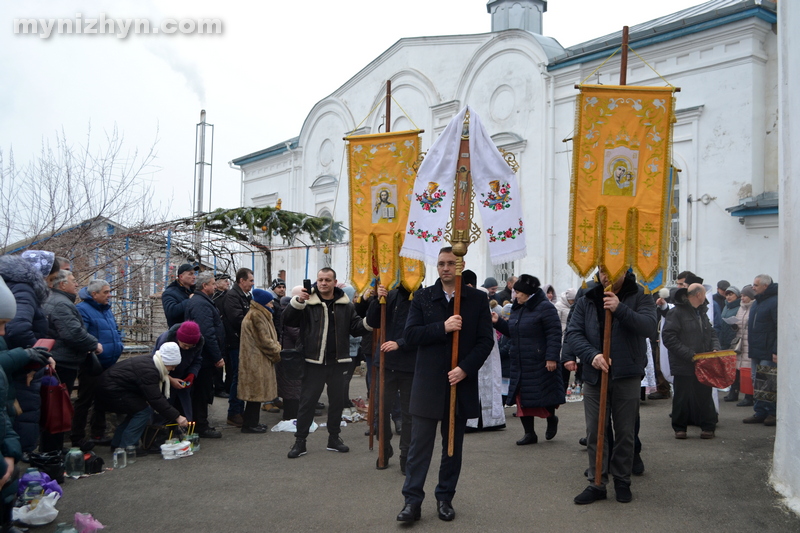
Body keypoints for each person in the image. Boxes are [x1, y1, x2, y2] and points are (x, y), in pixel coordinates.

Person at [396, 247, 493, 523]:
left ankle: (445, 498)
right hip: (428, 382)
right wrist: (443, 327)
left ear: (460, 265)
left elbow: (486, 340)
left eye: (451, 263)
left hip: (458, 382)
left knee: (452, 448)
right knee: (419, 448)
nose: (445, 268)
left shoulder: (475, 299)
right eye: (441, 264)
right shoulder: (424, 297)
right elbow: (411, 335)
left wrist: (465, 368)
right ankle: (412, 502)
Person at [566, 267, 656, 505]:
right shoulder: (588, 297)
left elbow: (649, 326)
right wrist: (592, 355)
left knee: (625, 431)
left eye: (611, 272)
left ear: (624, 272)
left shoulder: (641, 294)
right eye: (602, 272)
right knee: (595, 430)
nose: (606, 277)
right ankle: (597, 482)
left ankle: (622, 481)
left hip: (627, 374)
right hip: (596, 376)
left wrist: (620, 309)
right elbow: (574, 333)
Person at [282, 268, 371, 458]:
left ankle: (334, 439)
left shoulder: (345, 305)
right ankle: (300, 441)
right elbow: (287, 320)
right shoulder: (308, 302)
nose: (323, 283)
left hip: (338, 362)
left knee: (337, 403)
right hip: (313, 361)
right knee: (307, 403)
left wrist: (371, 319)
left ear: (334, 282)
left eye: (327, 280)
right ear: (317, 281)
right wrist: (298, 302)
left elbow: (356, 328)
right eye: (320, 279)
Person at [0, 277, 52, 532]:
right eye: (0, 324)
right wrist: (25, 354)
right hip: (12, 400)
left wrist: (10, 451)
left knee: (8, 475)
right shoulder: (23, 293)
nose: (3, 332)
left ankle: (6, 522)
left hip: (8, 408)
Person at [491, 274, 564, 445]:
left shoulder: (545, 308)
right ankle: (529, 433)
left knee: (545, 394)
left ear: (528, 292)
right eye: (515, 292)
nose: (515, 295)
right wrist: (498, 322)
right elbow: (513, 331)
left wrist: (552, 357)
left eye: (518, 292)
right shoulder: (517, 308)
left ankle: (551, 419)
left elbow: (554, 334)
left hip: (540, 361)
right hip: (520, 361)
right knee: (522, 398)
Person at [41, 269, 103, 452]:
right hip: (62, 363)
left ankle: (54, 449)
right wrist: (94, 344)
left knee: (55, 409)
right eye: (73, 280)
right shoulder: (61, 304)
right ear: (62, 284)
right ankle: (53, 451)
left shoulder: (56, 300)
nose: (77, 284)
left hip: (60, 360)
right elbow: (73, 333)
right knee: (57, 409)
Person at [0, 252, 54, 456]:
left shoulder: (11, 285)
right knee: (23, 414)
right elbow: (18, 329)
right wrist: (36, 355)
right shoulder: (23, 288)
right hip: (22, 368)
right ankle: (22, 464)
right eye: (51, 276)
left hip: (16, 362)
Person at [97, 342, 188, 450]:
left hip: (110, 388)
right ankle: (128, 446)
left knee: (136, 411)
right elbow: (156, 399)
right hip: (111, 391)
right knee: (143, 412)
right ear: (166, 362)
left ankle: (118, 443)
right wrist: (177, 417)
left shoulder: (152, 361)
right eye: (172, 366)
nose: (172, 369)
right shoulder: (150, 371)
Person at [366, 283, 416, 471]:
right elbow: (373, 321)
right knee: (381, 410)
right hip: (385, 364)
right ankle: (384, 448)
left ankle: (406, 455)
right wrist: (377, 300)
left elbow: (423, 331)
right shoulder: (391, 294)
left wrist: (401, 343)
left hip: (410, 364)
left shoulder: (422, 296)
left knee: (408, 414)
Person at [662, 283, 720, 439]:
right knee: (682, 396)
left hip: (703, 362)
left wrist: (715, 348)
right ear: (699, 295)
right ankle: (680, 428)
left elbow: (711, 332)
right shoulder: (676, 313)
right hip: (684, 363)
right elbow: (669, 338)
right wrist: (690, 355)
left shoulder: (701, 312)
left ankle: (708, 426)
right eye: (704, 293)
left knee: (705, 395)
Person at [73, 280, 124, 447]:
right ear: (94, 294)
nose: (109, 295)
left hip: (108, 363)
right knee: (85, 400)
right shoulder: (83, 310)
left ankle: (98, 434)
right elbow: (81, 335)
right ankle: (77, 437)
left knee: (102, 398)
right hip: (92, 364)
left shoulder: (105, 309)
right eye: (106, 292)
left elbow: (114, 330)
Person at [185, 271, 226, 439]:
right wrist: (217, 356)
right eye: (213, 283)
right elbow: (207, 333)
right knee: (202, 392)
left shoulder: (203, 301)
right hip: (203, 358)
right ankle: (200, 426)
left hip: (204, 357)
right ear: (205, 286)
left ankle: (199, 423)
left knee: (203, 391)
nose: (215, 286)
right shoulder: (201, 304)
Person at [237, 289, 281, 433]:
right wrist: (277, 350)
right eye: (270, 302)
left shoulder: (260, 314)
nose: (272, 305)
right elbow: (265, 341)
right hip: (255, 361)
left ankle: (252, 423)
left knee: (255, 394)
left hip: (256, 359)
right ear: (263, 303)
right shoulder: (257, 316)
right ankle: (249, 425)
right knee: (254, 395)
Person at [218, 268, 254, 427]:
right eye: (250, 280)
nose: (252, 284)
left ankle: (240, 410)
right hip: (236, 343)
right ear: (242, 281)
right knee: (237, 377)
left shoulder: (246, 296)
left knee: (243, 377)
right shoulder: (232, 297)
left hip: (244, 343)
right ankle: (234, 412)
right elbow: (238, 320)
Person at [744, 274, 778, 426]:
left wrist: (776, 350)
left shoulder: (775, 302)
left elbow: (779, 327)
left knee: (767, 381)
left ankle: (772, 412)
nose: (753, 287)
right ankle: (760, 411)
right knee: (756, 380)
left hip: (768, 349)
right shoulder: (757, 302)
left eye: (756, 285)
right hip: (756, 348)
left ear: (765, 286)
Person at [153, 321, 204, 421]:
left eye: (191, 346)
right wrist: (170, 379)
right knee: (164, 410)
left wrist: (192, 374)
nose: (187, 348)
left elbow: (197, 360)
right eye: (184, 345)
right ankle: (160, 432)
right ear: (178, 339)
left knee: (185, 411)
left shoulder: (198, 344)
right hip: (164, 379)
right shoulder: (165, 340)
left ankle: (182, 431)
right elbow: (155, 363)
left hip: (183, 380)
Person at [732, 285, 755, 407]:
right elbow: (739, 322)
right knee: (741, 370)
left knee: (749, 370)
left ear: (751, 297)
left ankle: (749, 396)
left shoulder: (754, 307)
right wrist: (734, 325)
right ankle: (746, 394)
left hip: (749, 343)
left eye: (745, 296)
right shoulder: (741, 308)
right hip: (741, 343)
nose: (742, 298)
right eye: (741, 296)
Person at [719, 286, 742, 401]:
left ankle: (734, 391)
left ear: (737, 296)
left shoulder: (739, 307)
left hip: (734, 341)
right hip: (724, 340)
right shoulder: (726, 307)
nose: (728, 297)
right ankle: (731, 390)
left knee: (735, 368)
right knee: (728, 367)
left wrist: (734, 326)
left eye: (731, 294)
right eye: (727, 294)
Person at [162, 263, 197, 328]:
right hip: (178, 334)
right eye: (190, 274)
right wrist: (189, 301)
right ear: (181, 277)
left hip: (194, 332)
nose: (194, 277)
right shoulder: (169, 293)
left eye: (194, 274)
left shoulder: (194, 291)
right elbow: (171, 312)